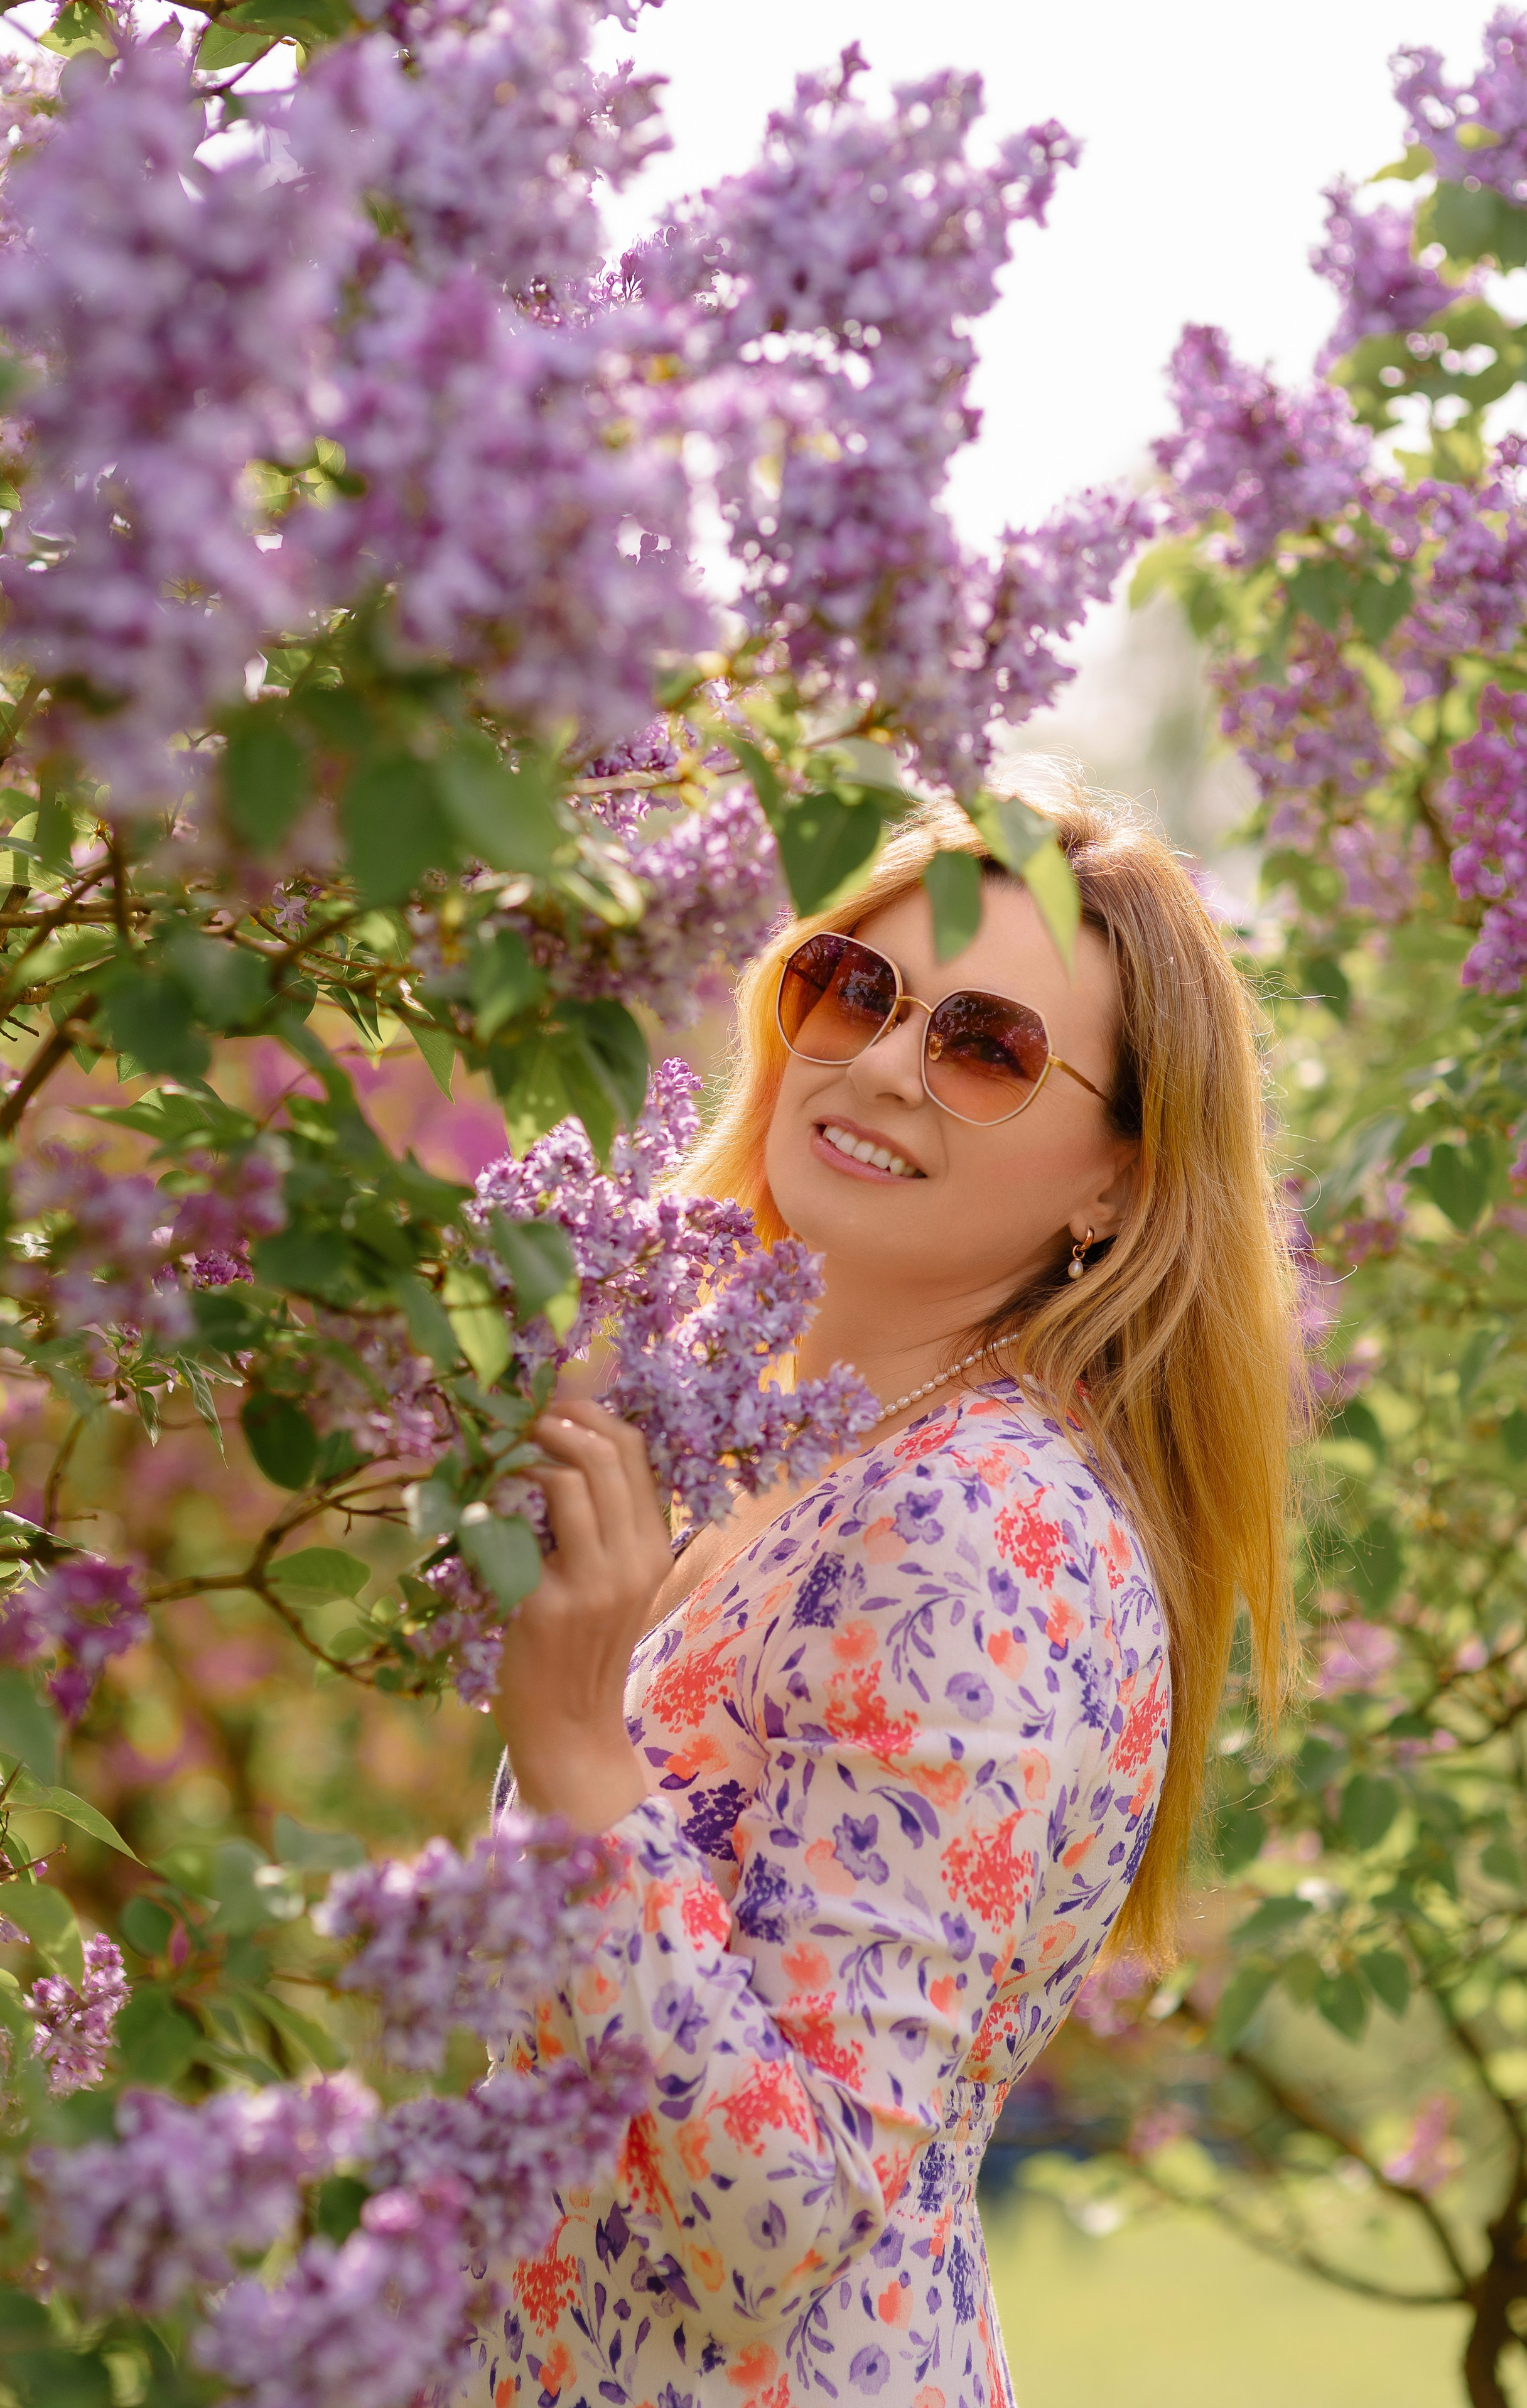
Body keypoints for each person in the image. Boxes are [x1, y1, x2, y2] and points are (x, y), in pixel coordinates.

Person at [468, 770, 1299, 2408]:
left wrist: (574, 1748)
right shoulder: (786, 1451)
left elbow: (783, 2212)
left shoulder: (978, 1531)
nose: (886, 1060)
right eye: (855, 987)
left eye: (986, 1046)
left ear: (1116, 1184)